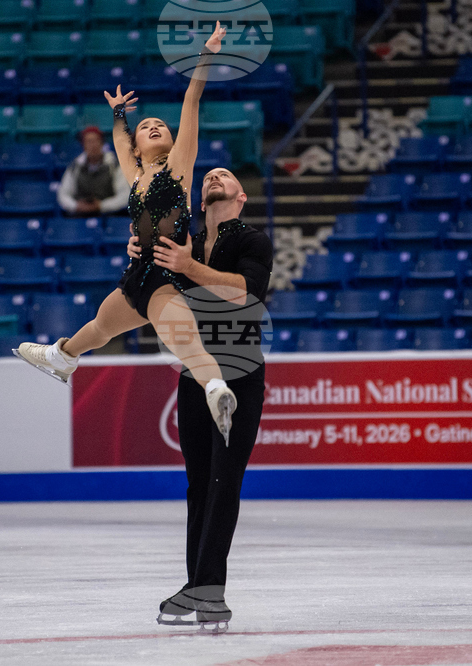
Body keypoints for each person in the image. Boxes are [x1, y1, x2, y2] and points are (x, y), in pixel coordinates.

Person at [16, 23, 239, 443]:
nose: (154, 126)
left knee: (187, 345)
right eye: (146, 126)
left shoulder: (180, 165)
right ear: (137, 146)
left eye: (161, 125)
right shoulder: (134, 175)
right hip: (138, 274)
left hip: (167, 276)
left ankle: (217, 390)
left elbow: (191, 100)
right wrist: (119, 114)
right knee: (101, 326)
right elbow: (120, 139)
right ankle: (62, 356)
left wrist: (207, 54)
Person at [139, 166, 272, 630]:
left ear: (240, 197)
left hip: (240, 374)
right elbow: (148, 284)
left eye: (225, 175)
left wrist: (187, 265)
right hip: (196, 375)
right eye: (209, 175)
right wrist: (139, 250)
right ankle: (197, 585)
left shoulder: (253, 241)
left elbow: (245, 294)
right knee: (199, 485)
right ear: (200, 199)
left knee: (224, 480)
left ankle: (210, 589)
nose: (214, 175)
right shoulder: (185, 242)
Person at [56, 125, 131, 216]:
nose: (93, 145)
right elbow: (63, 194)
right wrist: (76, 206)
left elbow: (124, 195)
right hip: (80, 216)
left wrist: (102, 206)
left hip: (109, 215)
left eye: (96, 141)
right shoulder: (75, 166)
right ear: (83, 145)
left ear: (102, 143)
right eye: (89, 142)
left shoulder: (114, 165)